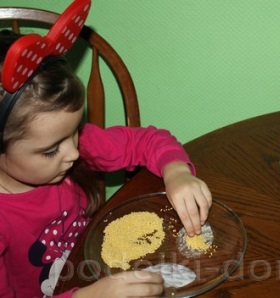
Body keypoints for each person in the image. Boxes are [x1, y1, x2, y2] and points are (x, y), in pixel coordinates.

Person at [0, 27, 212, 298]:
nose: (74, 153)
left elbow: (148, 141)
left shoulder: (73, 145)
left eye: (75, 130)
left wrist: (177, 172)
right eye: (51, 150)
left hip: (95, 269)